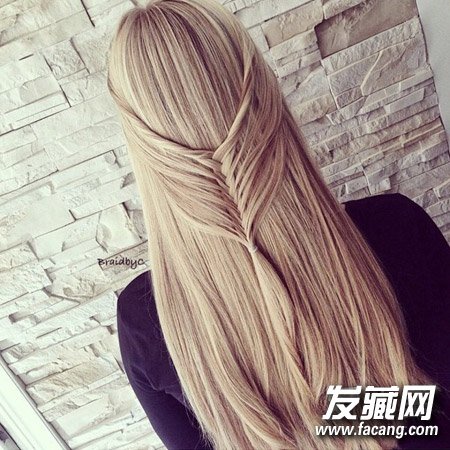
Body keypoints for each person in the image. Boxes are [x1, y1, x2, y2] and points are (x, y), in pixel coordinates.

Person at [106, 1, 450, 448]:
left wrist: (296, 423)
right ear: (265, 98)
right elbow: (434, 416)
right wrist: (337, 412)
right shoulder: (396, 230)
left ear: (144, 148)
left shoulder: (146, 323)